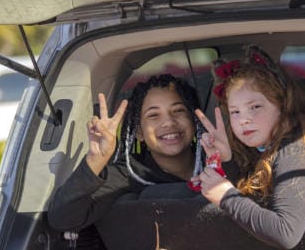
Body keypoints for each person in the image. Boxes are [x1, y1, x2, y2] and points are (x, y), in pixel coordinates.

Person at [192, 46, 305, 250]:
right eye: (235, 112)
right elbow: (256, 205)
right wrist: (227, 161)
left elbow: (285, 233)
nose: (244, 119)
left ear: (283, 107)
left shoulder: (294, 151)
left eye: (255, 107)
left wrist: (227, 197)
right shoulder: (262, 150)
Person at [47, 74, 205, 231]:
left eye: (178, 110)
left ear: (194, 120)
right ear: (139, 132)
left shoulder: (216, 160)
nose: (169, 122)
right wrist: (96, 161)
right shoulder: (128, 175)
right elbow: (62, 219)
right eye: (153, 115)